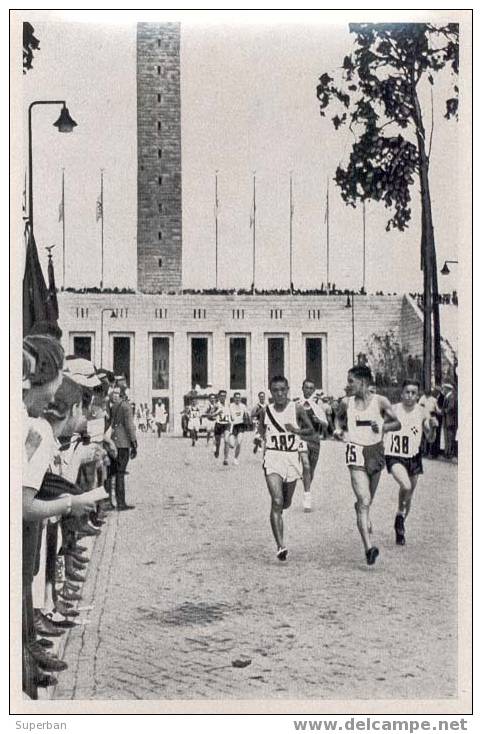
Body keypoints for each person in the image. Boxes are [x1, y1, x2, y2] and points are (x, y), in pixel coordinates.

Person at [334, 366, 401, 566]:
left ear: (363, 382)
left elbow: (397, 424)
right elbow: (337, 418)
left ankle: (363, 510)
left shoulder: (380, 401)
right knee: (364, 500)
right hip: (355, 452)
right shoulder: (346, 402)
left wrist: (382, 426)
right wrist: (338, 430)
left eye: (351, 381)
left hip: (375, 452)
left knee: (367, 500)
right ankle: (369, 548)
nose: (348, 385)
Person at [258, 376, 314, 561]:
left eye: (283, 389)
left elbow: (310, 430)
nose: (280, 393)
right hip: (273, 458)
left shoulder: (296, 408)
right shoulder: (266, 411)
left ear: (288, 389)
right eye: (275, 390)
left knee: (285, 503)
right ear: (271, 392)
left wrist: (296, 431)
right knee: (276, 500)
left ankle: (281, 514)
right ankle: (280, 546)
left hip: (291, 458)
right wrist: (259, 438)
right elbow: (261, 430)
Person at [385, 379, 438, 546]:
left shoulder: (422, 412)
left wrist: (433, 428)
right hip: (394, 455)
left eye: (413, 393)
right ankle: (400, 513)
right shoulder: (393, 409)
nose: (410, 396)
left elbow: (430, 438)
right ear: (401, 393)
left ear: (417, 395)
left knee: (409, 495)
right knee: (405, 485)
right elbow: (380, 427)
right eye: (407, 392)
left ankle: (400, 524)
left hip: (413, 457)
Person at [296, 379, 328, 512]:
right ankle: (307, 497)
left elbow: (326, 425)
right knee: (306, 465)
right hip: (301, 438)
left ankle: (306, 487)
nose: (308, 390)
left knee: (311, 469)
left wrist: (319, 420)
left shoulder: (317, 406)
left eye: (311, 388)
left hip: (314, 439)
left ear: (313, 390)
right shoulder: (297, 405)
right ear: (302, 388)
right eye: (306, 387)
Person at [109, 387, 138, 510]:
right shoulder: (126, 406)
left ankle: (112, 500)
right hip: (123, 442)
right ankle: (121, 502)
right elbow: (130, 426)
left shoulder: (114, 405)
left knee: (114, 472)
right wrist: (134, 442)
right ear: (125, 395)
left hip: (114, 439)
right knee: (121, 472)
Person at [229, 392, 250, 465]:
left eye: (239, 397)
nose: (237, 399)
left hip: (240, 425)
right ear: (234, 398)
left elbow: (247, 414)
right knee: (232, 445)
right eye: (236, 397)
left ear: (240, 398)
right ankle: (230, 443)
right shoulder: (230, 406)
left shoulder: (243, 406)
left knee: (239, 442)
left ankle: (235, 458)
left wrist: (248, 419)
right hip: (232, 426)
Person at [213, 390, 231, 465]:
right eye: (221, 396)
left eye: (224, 396)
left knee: (226, 440)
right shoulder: (216, 405)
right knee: (218, 442)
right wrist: (216, 413)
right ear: (219, 397)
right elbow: (211, 415)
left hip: (226, 424)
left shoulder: (229, 404)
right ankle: (217, 450)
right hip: (218, 424)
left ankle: (226, 459)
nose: (223, 397)